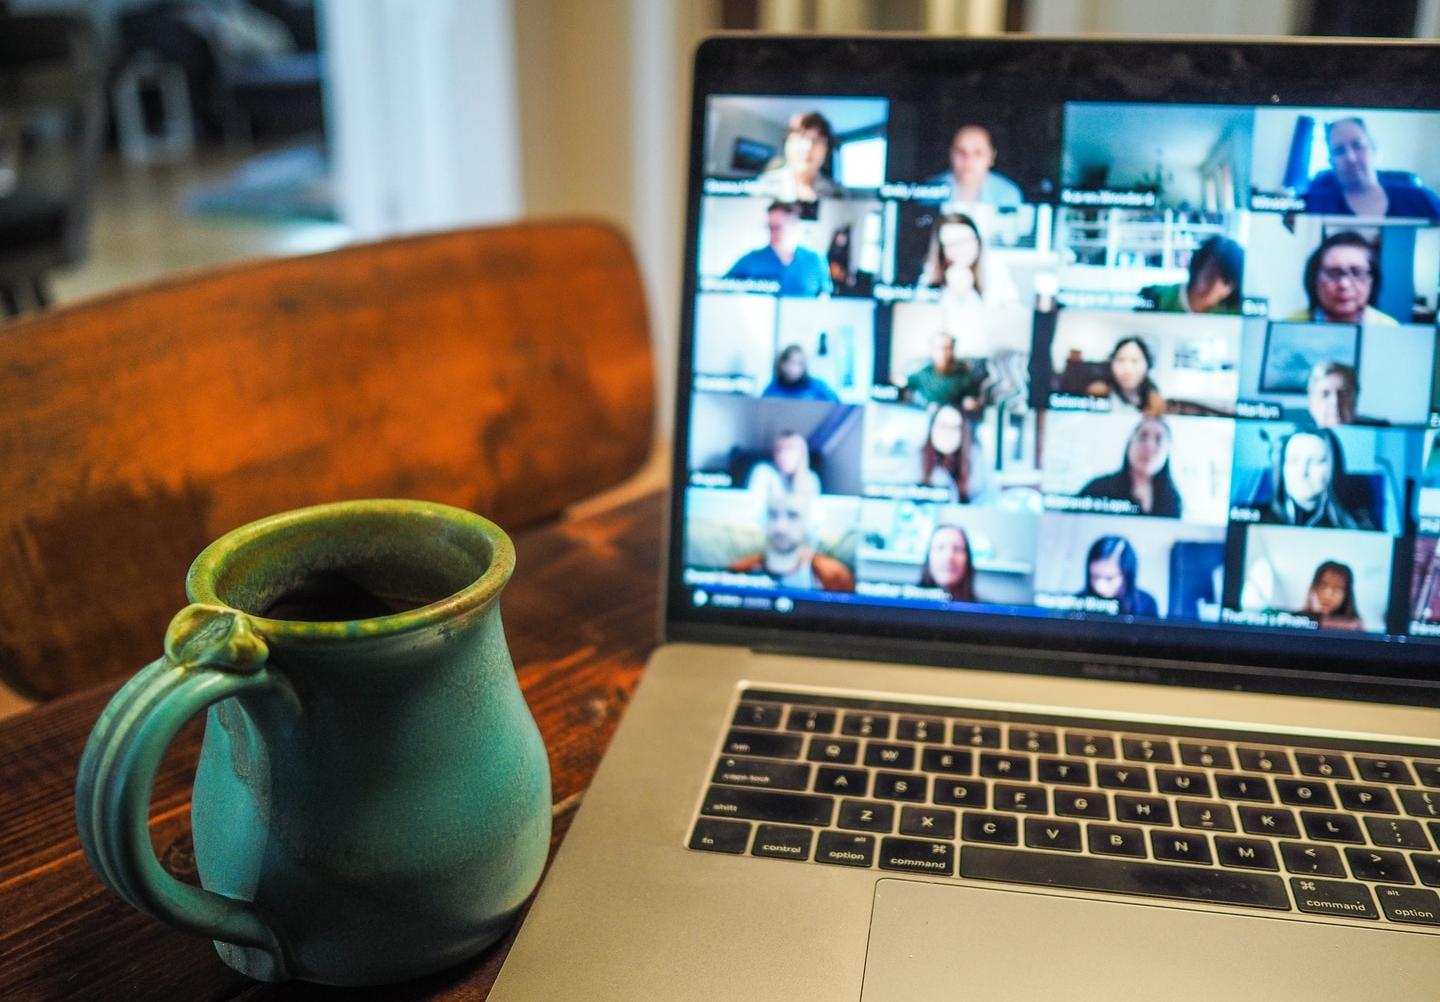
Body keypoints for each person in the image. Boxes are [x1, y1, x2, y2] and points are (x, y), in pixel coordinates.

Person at [1302, 117, 1440, 220]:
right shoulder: (1314, 205)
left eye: (1358, 145)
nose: (1351, 157)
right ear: (1331, 161)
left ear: (1373, 148)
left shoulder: (1421, 199)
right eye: (1339, 151)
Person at [727, 490, 854, 591]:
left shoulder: (834, 576)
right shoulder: (740, 571)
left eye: (792, 515)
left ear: (809, 523)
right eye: (772, 515)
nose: (780, 527)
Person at [1260, 428, 1375, 530]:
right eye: (1293, 461)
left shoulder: (1356, 526)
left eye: (1316, 461)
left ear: (1333, 468)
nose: (1302, 472)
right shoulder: (1258, 517)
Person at [1078, 416, 1183, 518]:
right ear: (1130, 443)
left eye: (1158, 440)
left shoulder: (1173, 500)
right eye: (1143, 437)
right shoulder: (1097, 489)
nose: (1149, 446)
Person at [724, 200, 832, 297]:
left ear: (794, 225)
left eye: (777, 228)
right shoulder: (751, 260)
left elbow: (823, 297)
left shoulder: (815, 260)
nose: (772, 232)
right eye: (770, 227)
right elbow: (723, 288)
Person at [1287, 231, 1396, 326]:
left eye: (1357, 272)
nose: (1344, 284)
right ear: (1314, 278)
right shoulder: (1289, 326)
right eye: (1333, 273)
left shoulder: (1389, 329)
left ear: (1372, 280)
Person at [922, 124, 1023, 207]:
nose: (968, 160)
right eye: (961, 152)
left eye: (978, 153)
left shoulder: (1007, 193)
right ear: (951, 154)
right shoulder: (929, 190)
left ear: (991, 157)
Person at [1140, 236, 1245, 314]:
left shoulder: (1234, 313)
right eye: (1210, 275)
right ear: (1197, 268)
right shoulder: (1158, 298)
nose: (1215, 286)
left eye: (1226, 282)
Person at [754, 111, 841, 203]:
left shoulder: (837, 193)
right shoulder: (762, 187)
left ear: (827, 150)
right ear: (787, 144)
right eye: (801, 138)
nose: (808, 147)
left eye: (817, 141)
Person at [920, 404, 990, 503]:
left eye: (954, 427)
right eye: (943, 426)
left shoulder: (975, 457)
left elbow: (986, 499)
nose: (947, 433)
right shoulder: (920, 457)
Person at [1077, 535, 1159, 617]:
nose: (1099, 586)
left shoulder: (1146, 603)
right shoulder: (1078, 601)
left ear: (1126, 575)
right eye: (1094, 576)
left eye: (1109, 578)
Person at [904, 331, 984, 411]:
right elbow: (904, 385)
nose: (943, 353)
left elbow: (972, 397)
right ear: (932, 350)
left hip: (955, 415)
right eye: (939, 348)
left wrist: (970, 402)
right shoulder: (923, 373)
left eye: (948, 348)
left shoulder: (963, 374)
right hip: (927, 413)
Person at [1084, 336, 1165, 414]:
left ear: (1147, 364)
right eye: (1120, 360)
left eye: (1134, 361)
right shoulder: (1099, 391)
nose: (1127, 369)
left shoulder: (1154, 399)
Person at [746, 429, 822, 499]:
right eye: (779, 449)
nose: (782, 455)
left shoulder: (811, 478)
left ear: (802, 454)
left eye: (790, 449)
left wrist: (800, 476)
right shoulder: (763, 472)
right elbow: (754, 505)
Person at [1298, 560, 1365, 631]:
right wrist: (1313, 617)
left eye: (1337, 588)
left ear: (1346, 595)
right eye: (1323, 585)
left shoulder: (1354, 626)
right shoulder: (1295, 620)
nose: (1327, 595)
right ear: (1314, 587)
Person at [919, 524, 977, 602]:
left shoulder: (985, 610)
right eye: (940, 547)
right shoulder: (905, 602)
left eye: (957, 549)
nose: (949, 557)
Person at [762, 345, 838, 402]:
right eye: (791, 362)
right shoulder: (772, 389)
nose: (794, 368)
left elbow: (838, 407)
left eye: (799, 363)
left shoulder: (818, 387)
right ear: (782, 365)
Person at [1306, 362, 1363, 427]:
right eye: (1325, 394)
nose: (1335, 401)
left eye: (1344, 394)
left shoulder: (1374, 434)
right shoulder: (1298, 436)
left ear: (1355, 400)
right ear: (1311, 403)